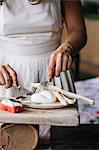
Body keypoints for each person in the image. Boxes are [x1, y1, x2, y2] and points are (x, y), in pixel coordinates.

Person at [0, 0, 87, 139]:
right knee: (12, 139)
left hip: (55, 71)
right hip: (6, 74)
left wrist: (67, 47)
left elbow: (79, 30)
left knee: (61, 140)